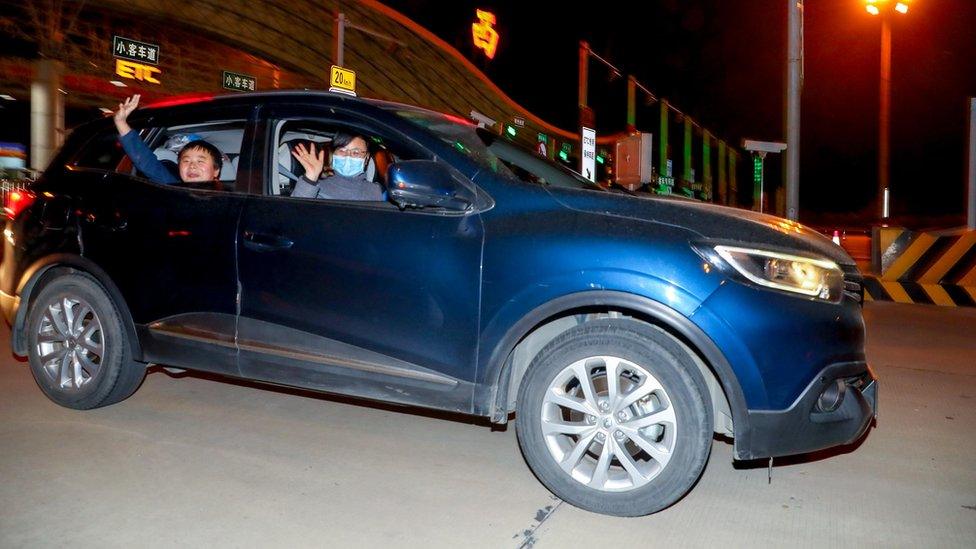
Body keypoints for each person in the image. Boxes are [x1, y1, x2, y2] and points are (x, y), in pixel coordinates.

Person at [113, 94, 223, 186]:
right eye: (186, 161)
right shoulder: (172, 188)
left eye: (200, 161)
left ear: (216, 170)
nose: (192, 166)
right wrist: (120, 122)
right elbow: (147, 162)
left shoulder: (229, 199)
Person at [289, 132, 385, 201]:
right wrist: (310, 178)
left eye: (356, 152)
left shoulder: (373, 190)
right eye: (342, 150)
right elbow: (294, 214)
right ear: (333, 154)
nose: (348, 156)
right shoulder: (317, 185)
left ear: (366, 158)